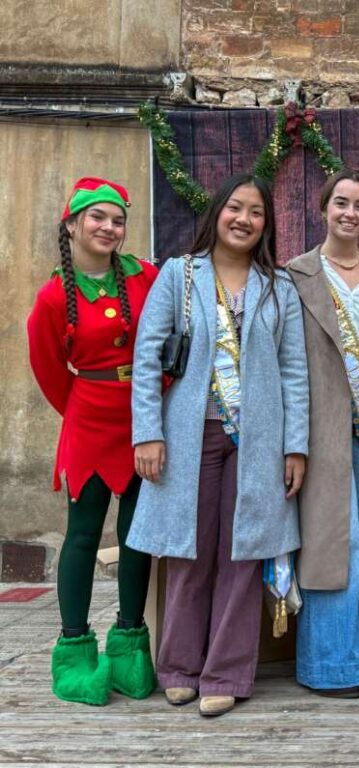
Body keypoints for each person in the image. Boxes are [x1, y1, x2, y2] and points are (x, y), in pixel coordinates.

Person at [129, 174, 309, 717]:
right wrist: (148, 433)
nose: (244, 219)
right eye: (235, 207)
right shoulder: (180, 276)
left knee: (244, 553)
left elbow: (294, 371)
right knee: (188, 551)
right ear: (217, 212)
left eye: (256, 213)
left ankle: (226, 672)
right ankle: (180, 667)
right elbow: (146, 357)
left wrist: (294, 447)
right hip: (189, 435)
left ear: (266, 226)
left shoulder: (278, 288)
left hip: (258, 442)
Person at [27, 177, 159, 705]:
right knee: (83, 535)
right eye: (97, 218)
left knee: (136, 533)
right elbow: (48, 370)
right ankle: (75, 652)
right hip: (88, 418)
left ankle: (129, 647)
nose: (109, 227)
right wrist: (83, 409)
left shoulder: (145, 277)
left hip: (144, 420)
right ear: (73, 225)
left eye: (118, 219)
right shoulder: (54, 294)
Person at [286, 169, 359, 698]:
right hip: (319, 434)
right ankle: (327, 665)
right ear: (323, 208)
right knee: (330, 549)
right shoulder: (296, 276)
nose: (349, 213)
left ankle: (349, 654)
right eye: (340, 203)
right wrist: (292, 442)